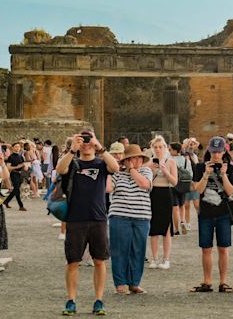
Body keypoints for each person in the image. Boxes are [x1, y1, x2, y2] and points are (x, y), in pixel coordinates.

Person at [55, 129, 119, 316]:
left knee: (99, 261)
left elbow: (115, 168)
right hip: (75, 219)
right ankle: (71, 300)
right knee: (73, 262)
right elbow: (60, 170)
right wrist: (72, 150)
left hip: (98, 217)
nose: (86, 142)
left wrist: (101, 148)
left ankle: (99, 300)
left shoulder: (100, 163)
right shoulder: (72, 162)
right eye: (82, 139)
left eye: (89, 139)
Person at [190, 136, 233, 293]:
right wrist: (205, 174)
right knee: (206, 248)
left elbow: (230, 191)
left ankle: (223, 282)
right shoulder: (199, 167)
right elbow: (198, 189)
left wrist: (223, 175)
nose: (216, 155)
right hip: (206, 213)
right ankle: (207, 281)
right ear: (209, 151)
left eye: (219, 152)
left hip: (223, 213)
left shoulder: (230, 168)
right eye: (214, 152)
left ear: (224, 151)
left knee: (223, 248)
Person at [109, 144, 153, 295]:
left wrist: (133, 170)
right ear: (126, 160)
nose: (137, 160)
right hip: (120, 216)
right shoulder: (117, 174)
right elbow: (108, 189)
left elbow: (144, 184)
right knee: (120, 250)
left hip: (141, 216)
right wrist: (108, 171)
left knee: (138, 250)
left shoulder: (146, 171)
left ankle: (134, 283)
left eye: (139, 157)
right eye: (134, 158)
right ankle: (120, 283)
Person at [147, 135, 177, 270]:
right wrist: (152, 170)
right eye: (156, 147)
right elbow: (145, 182)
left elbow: (175, 182)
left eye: (161, 147)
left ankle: (166, 259)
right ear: (152, 148)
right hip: (153, 194)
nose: (158, 149)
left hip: (166, 193)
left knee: (166, 228)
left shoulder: (171, 162)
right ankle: (153, 258)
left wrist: (165, 171)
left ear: (165, 148)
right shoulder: (149, 162)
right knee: (153, 228)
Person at [168, 142, 192, 235]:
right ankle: (182, 221)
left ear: (174, 150)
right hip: (183, 185)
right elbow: (190, 174)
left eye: (170, 149)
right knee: (182, 206)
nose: (169, 151)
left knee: (175, 207)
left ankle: (177, 229)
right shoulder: (186, 160)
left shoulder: (169, 160)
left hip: (172, 185)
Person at [4, 142, 27, 211]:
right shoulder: (11, 157)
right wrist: (17, 167)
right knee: (17, 189)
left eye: (18, 147)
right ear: (13, 148)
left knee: (16, 190)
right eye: (16, 146)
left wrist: (25, 166)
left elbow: (23, 165)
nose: (17, 148)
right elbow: (8, 167)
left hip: (20, 174)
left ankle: (6, 201)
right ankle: (21, 206)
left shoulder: (21, 156)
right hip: (14, 174)